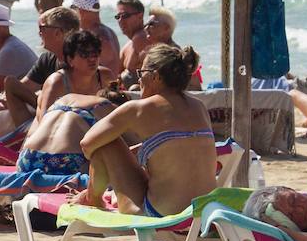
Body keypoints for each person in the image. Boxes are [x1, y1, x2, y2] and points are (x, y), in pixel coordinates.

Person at [77, 44, 215, 217]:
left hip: (160, 215)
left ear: (156, 77)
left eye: (141, 74)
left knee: (105, 143)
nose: (139, 81)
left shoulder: (138, 109)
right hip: (201, 214)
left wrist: (113, 164)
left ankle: (92, 198)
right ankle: (95, 196)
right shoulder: (199, 107)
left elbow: (87, 144)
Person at [18, 89, 126, 175]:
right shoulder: (105, 107)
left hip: (28, 158)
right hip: (66, 162)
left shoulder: (64, 99)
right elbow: (132, 148)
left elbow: (31, 134)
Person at [3, 7, 79, 121]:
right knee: (10, 84)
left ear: (57, 33)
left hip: (73, 116)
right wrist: (2, 99)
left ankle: (30, 134)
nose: (39, 33)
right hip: (52, 113)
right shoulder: (48, 59)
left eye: (42, 28)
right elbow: (24, 86)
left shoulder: (80, 59)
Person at [37, 30, 114, 117]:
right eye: (84, 54)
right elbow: (45, 121)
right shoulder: (57, 83)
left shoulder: (105, 77)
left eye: (95, 53)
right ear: (70, 60)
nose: (92, 59)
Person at [141, 6, 201, 88]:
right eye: (146, 25)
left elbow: (194, 87)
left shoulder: (176, 56)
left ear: (166, 27)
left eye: (151, 24)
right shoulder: (153, 52)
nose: (146, 28)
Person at [69, 0, 121, 76]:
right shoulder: (110, 32)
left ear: (80, 11)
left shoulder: (93, 37)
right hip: (111, 86)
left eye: (73, 9)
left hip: (102, 88)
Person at [115, 0, 148, 78]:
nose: (120, 20)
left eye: (125, 16)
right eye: (118, 17)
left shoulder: (142, 38)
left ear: (140, 16)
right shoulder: (127, 46)